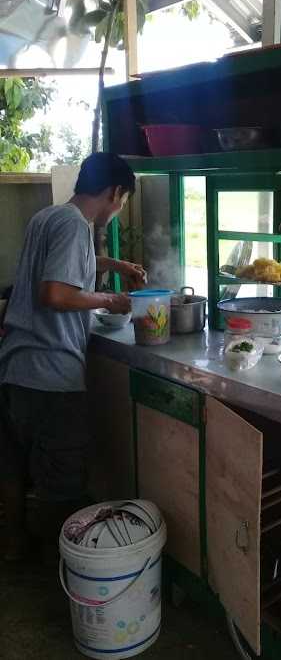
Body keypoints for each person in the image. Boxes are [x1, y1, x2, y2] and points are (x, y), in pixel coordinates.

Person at [0, 152, 146, 562]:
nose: (118, 211)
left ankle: (14, 548)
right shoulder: (75, 227)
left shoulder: (50, 217)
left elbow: (64, 267)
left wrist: (117, 263)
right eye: (122, 202)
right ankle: (68, 573)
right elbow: (56, 293)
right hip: (52, 375)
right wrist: (111, 300)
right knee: (61, 481)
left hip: (15, 367)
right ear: (115, 192)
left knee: (14, 469)